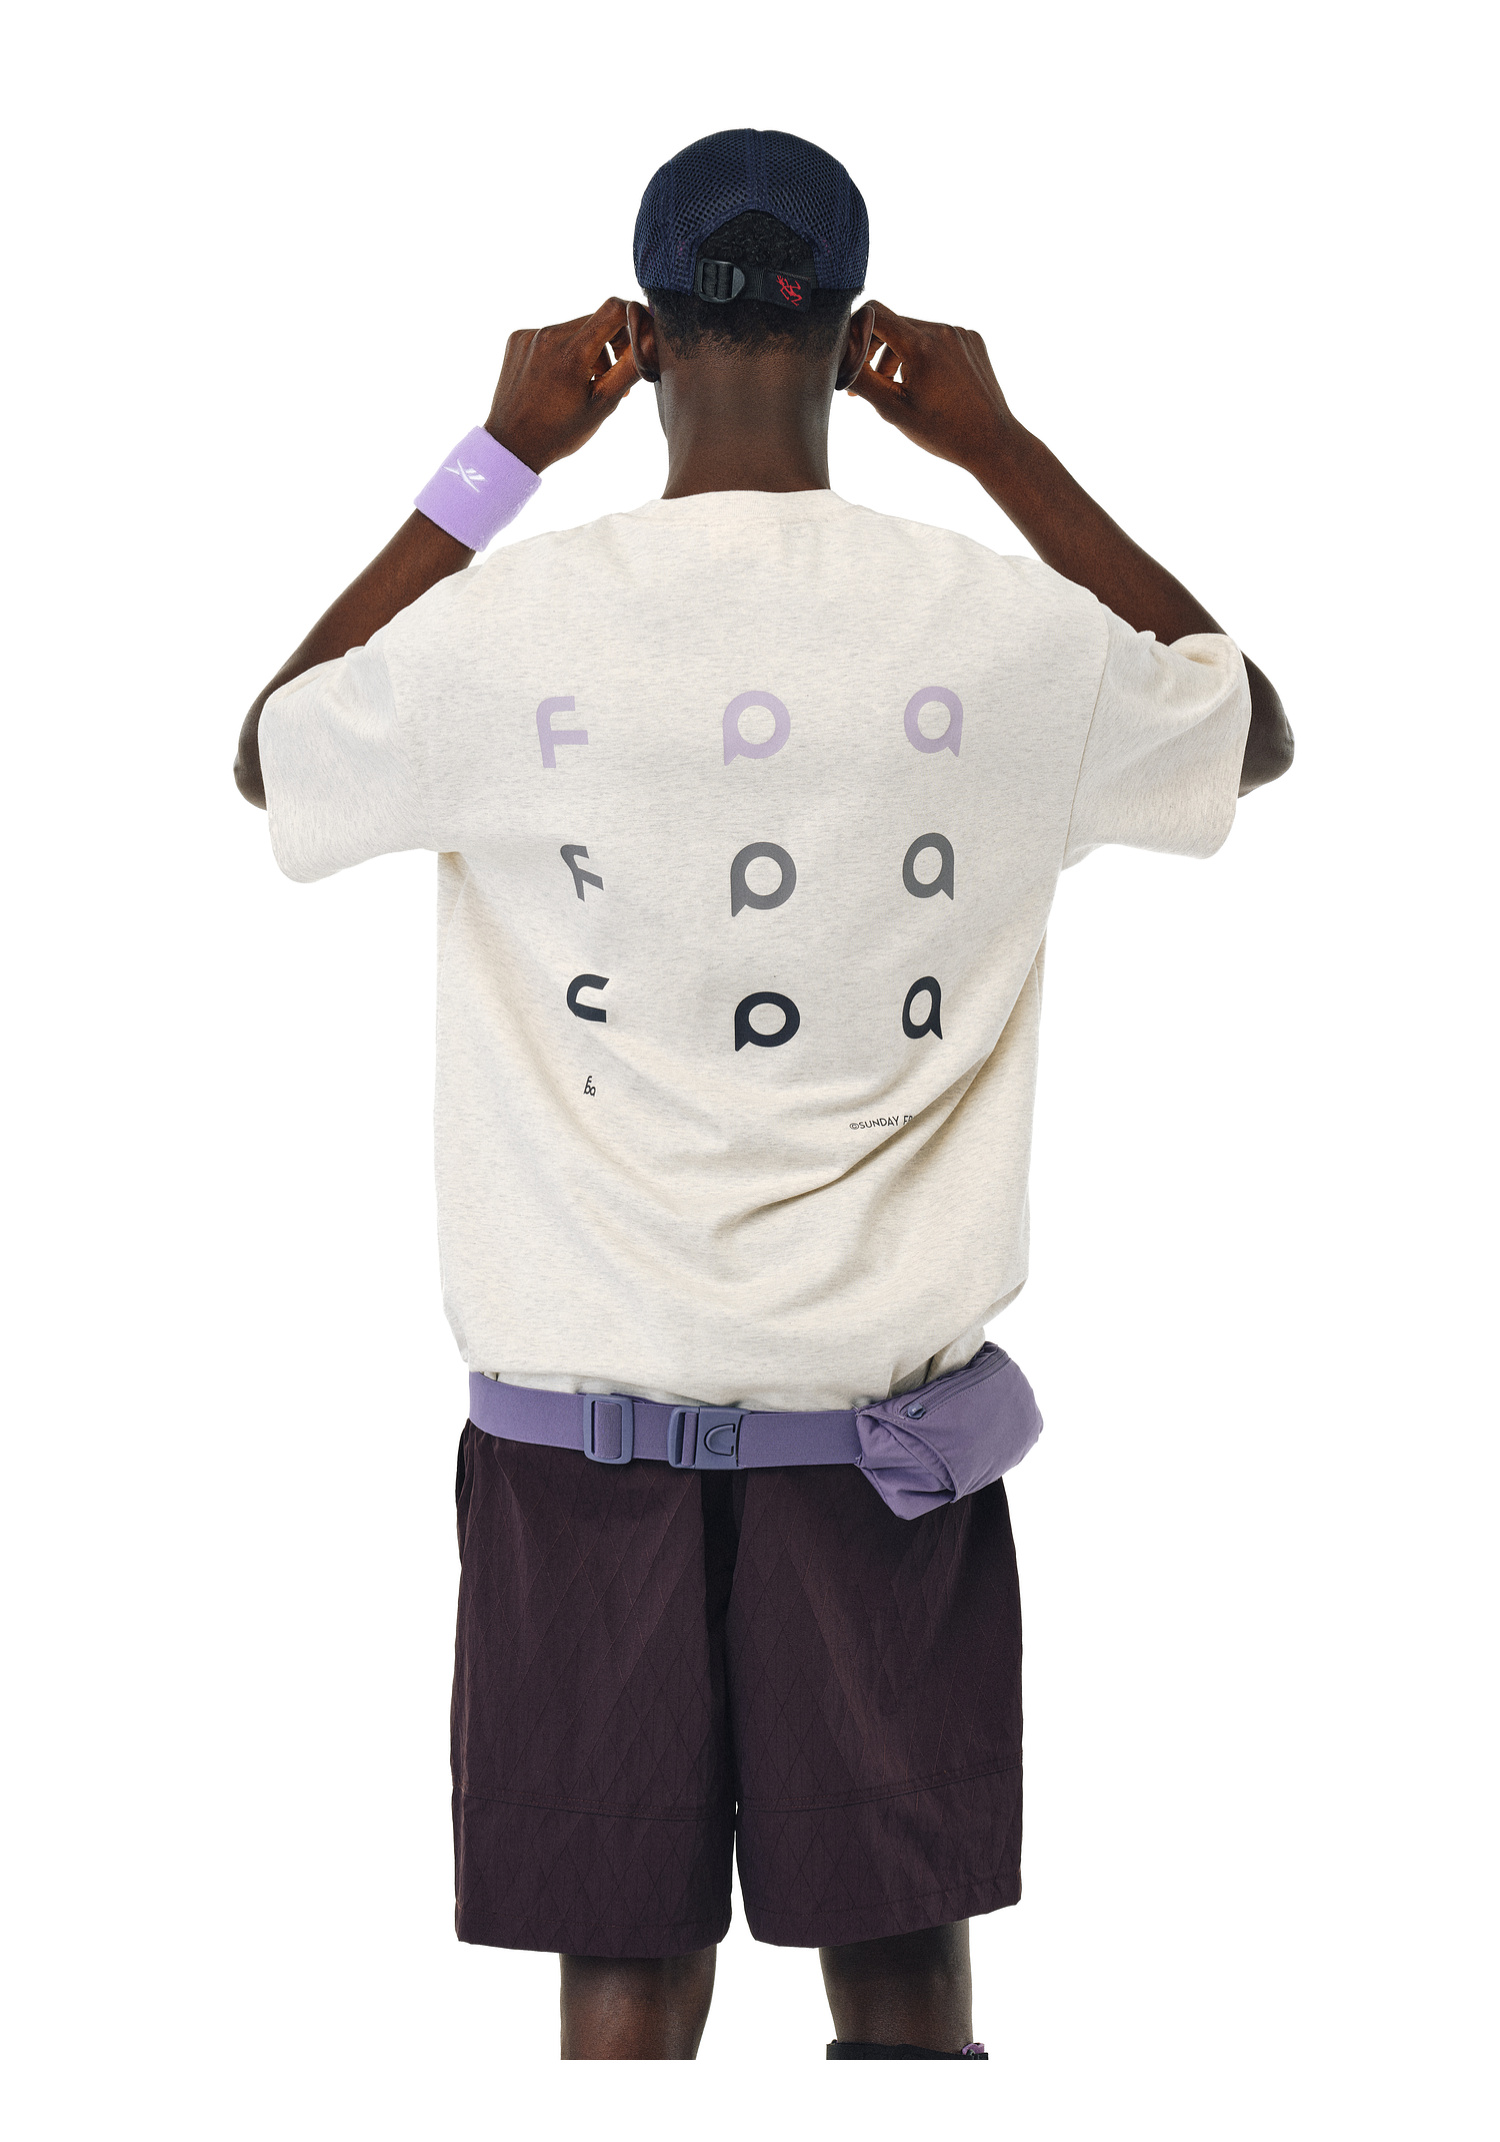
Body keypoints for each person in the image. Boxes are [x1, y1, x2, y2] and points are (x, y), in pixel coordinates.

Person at [234, 128, 1293, 2062]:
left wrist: (499, 457)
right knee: (901, 1975)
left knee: (626, 1987)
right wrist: (1001, 449)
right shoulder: (997, 629)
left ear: (637, 338)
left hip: (578, 1454)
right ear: (856, 334)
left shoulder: (506, 631)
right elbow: (1251, 725)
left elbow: (272, 751)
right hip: (874, 1453)